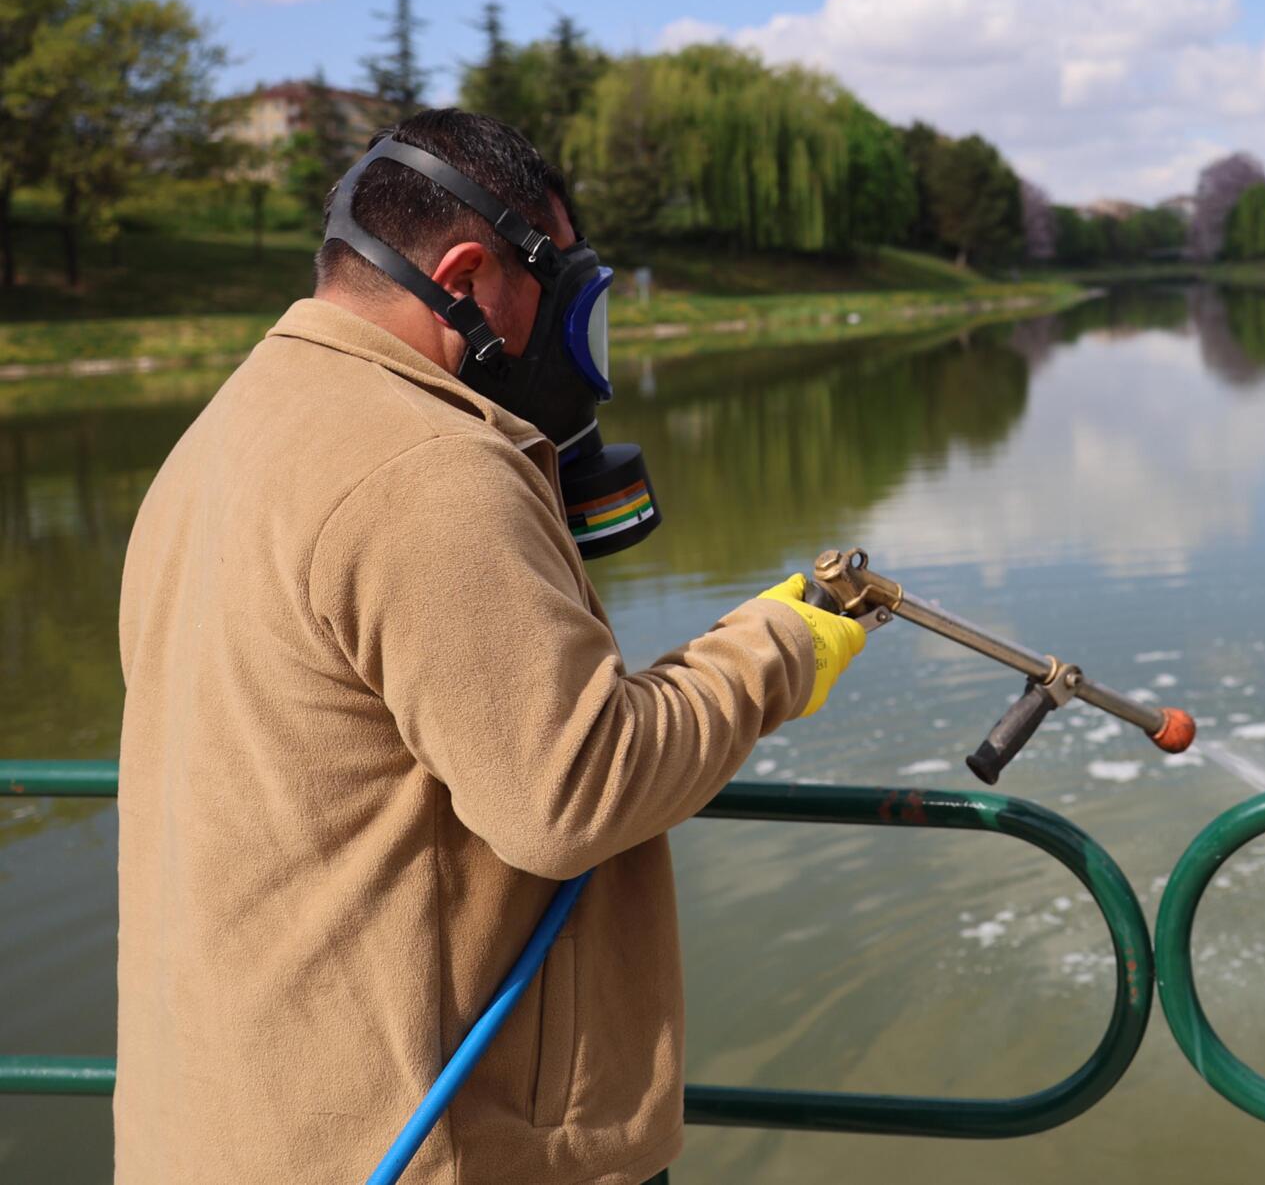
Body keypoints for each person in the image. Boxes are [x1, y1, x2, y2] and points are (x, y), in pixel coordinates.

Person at [116, 109, 867, 1185]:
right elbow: (575, 789)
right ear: (467, 275)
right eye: (558, 294)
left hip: (228, 1125)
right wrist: (782, 643)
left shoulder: (222, 433)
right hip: (428, 1142)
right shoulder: (429, 467)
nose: (571, 340)